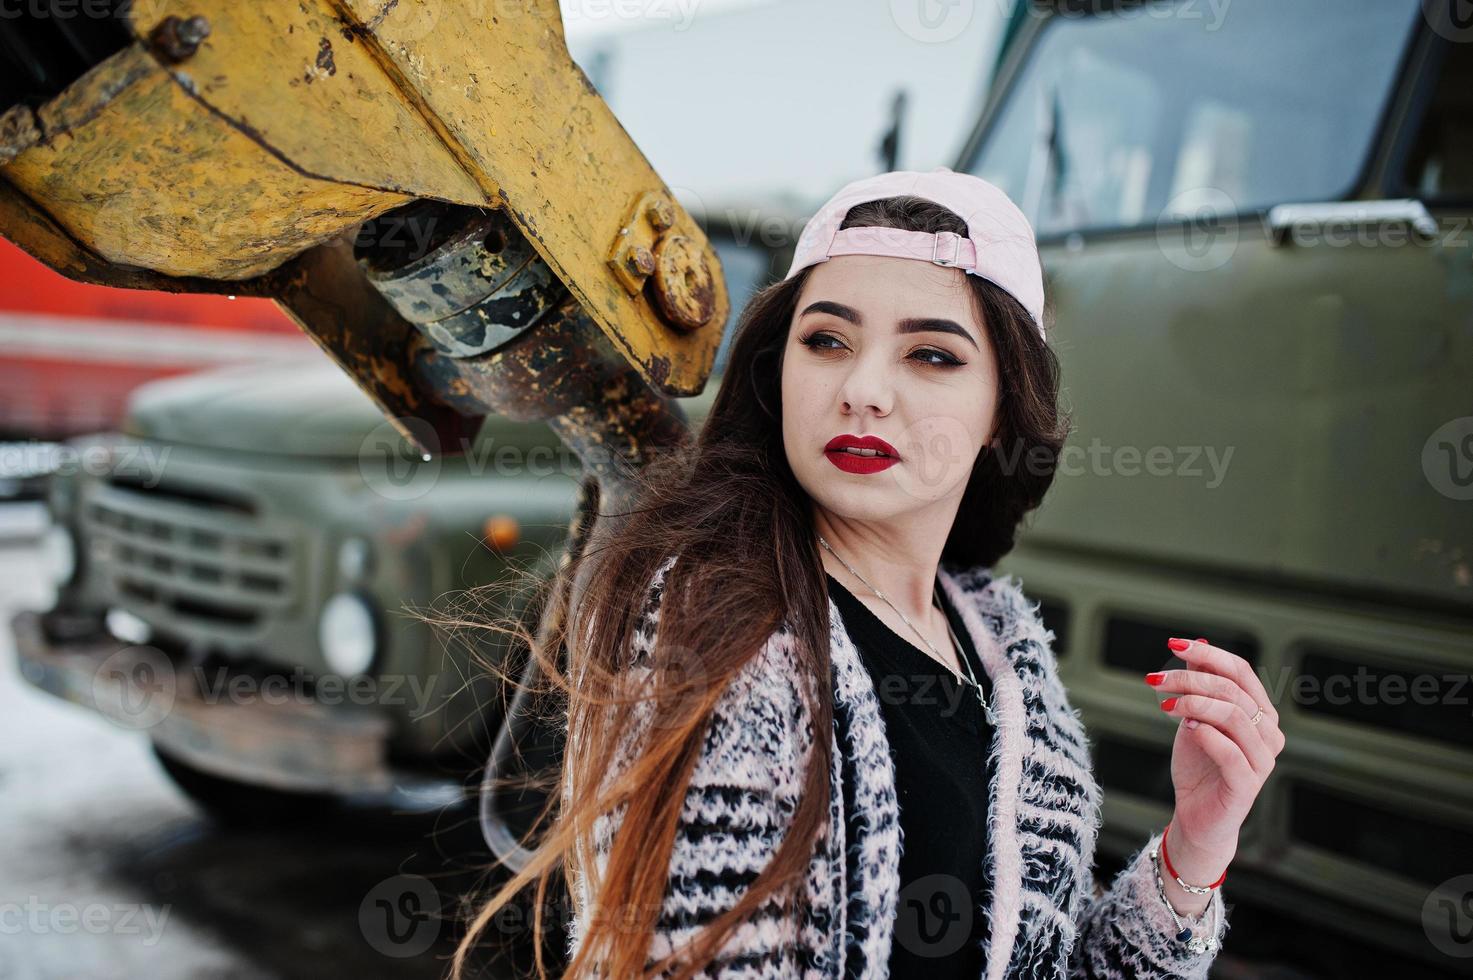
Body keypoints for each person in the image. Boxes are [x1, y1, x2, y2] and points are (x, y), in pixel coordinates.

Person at [452, 168, 1285, 979]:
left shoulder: (998, 640)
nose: (863, 390)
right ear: (777, 373)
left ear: (1003, 409)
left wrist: (1193, 852)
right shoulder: (712, 630)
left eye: (931, 355)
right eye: (826, 341)